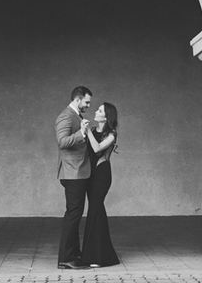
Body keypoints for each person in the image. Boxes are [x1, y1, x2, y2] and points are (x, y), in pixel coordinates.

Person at [55, 86, 92, 270]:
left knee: (75, 214)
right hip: (72, 173)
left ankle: (73, 255)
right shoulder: (65, 116)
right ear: (77, 99)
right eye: (86, 102)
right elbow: (62, 142)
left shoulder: (77, 116)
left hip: (78, 172)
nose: (88, 105)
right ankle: (66, 258)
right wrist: (81, 134)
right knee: (73, 214)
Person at [81, 102, 120, 267]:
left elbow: (97, 148)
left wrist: (87, 130)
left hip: (102, 175)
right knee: (95, 211)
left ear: (106, 116)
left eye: (100, 110)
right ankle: (102, 255)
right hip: (90, 175)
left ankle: (97, 257)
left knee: (95, 210)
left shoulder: (111, 134)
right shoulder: (93, 131)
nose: (96, 111)